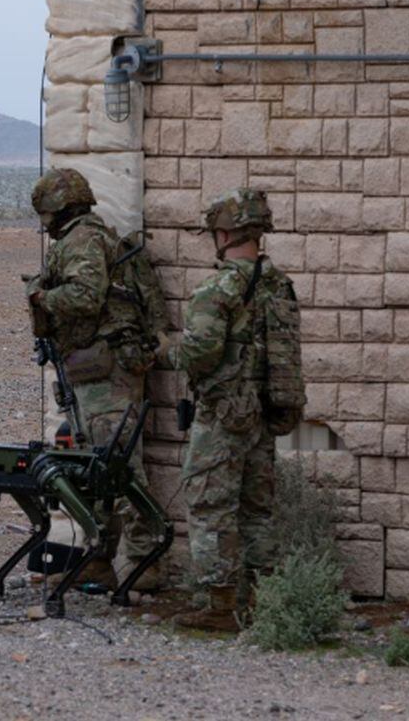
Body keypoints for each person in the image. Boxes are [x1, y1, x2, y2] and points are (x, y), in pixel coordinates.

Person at [157, 187, 303, 632]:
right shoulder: (278, 284)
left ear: (224, 233)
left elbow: (200, 351)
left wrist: (165, 350)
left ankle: (220, 607)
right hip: (264, 410)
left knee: (209, 504)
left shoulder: (219, 286)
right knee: (257, 509)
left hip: (223, 414)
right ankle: (261, 601)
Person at [26, 167, 171, 589]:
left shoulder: (83, 240)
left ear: (58, 208)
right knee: (96, 468)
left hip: (108, 373)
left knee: (120, 467)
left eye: (45, 213)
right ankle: (98, 558)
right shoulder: (85, 238)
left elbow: (85, 297)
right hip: (93, 370)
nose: (45, 223)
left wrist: (41, 297)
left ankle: (147, 561)